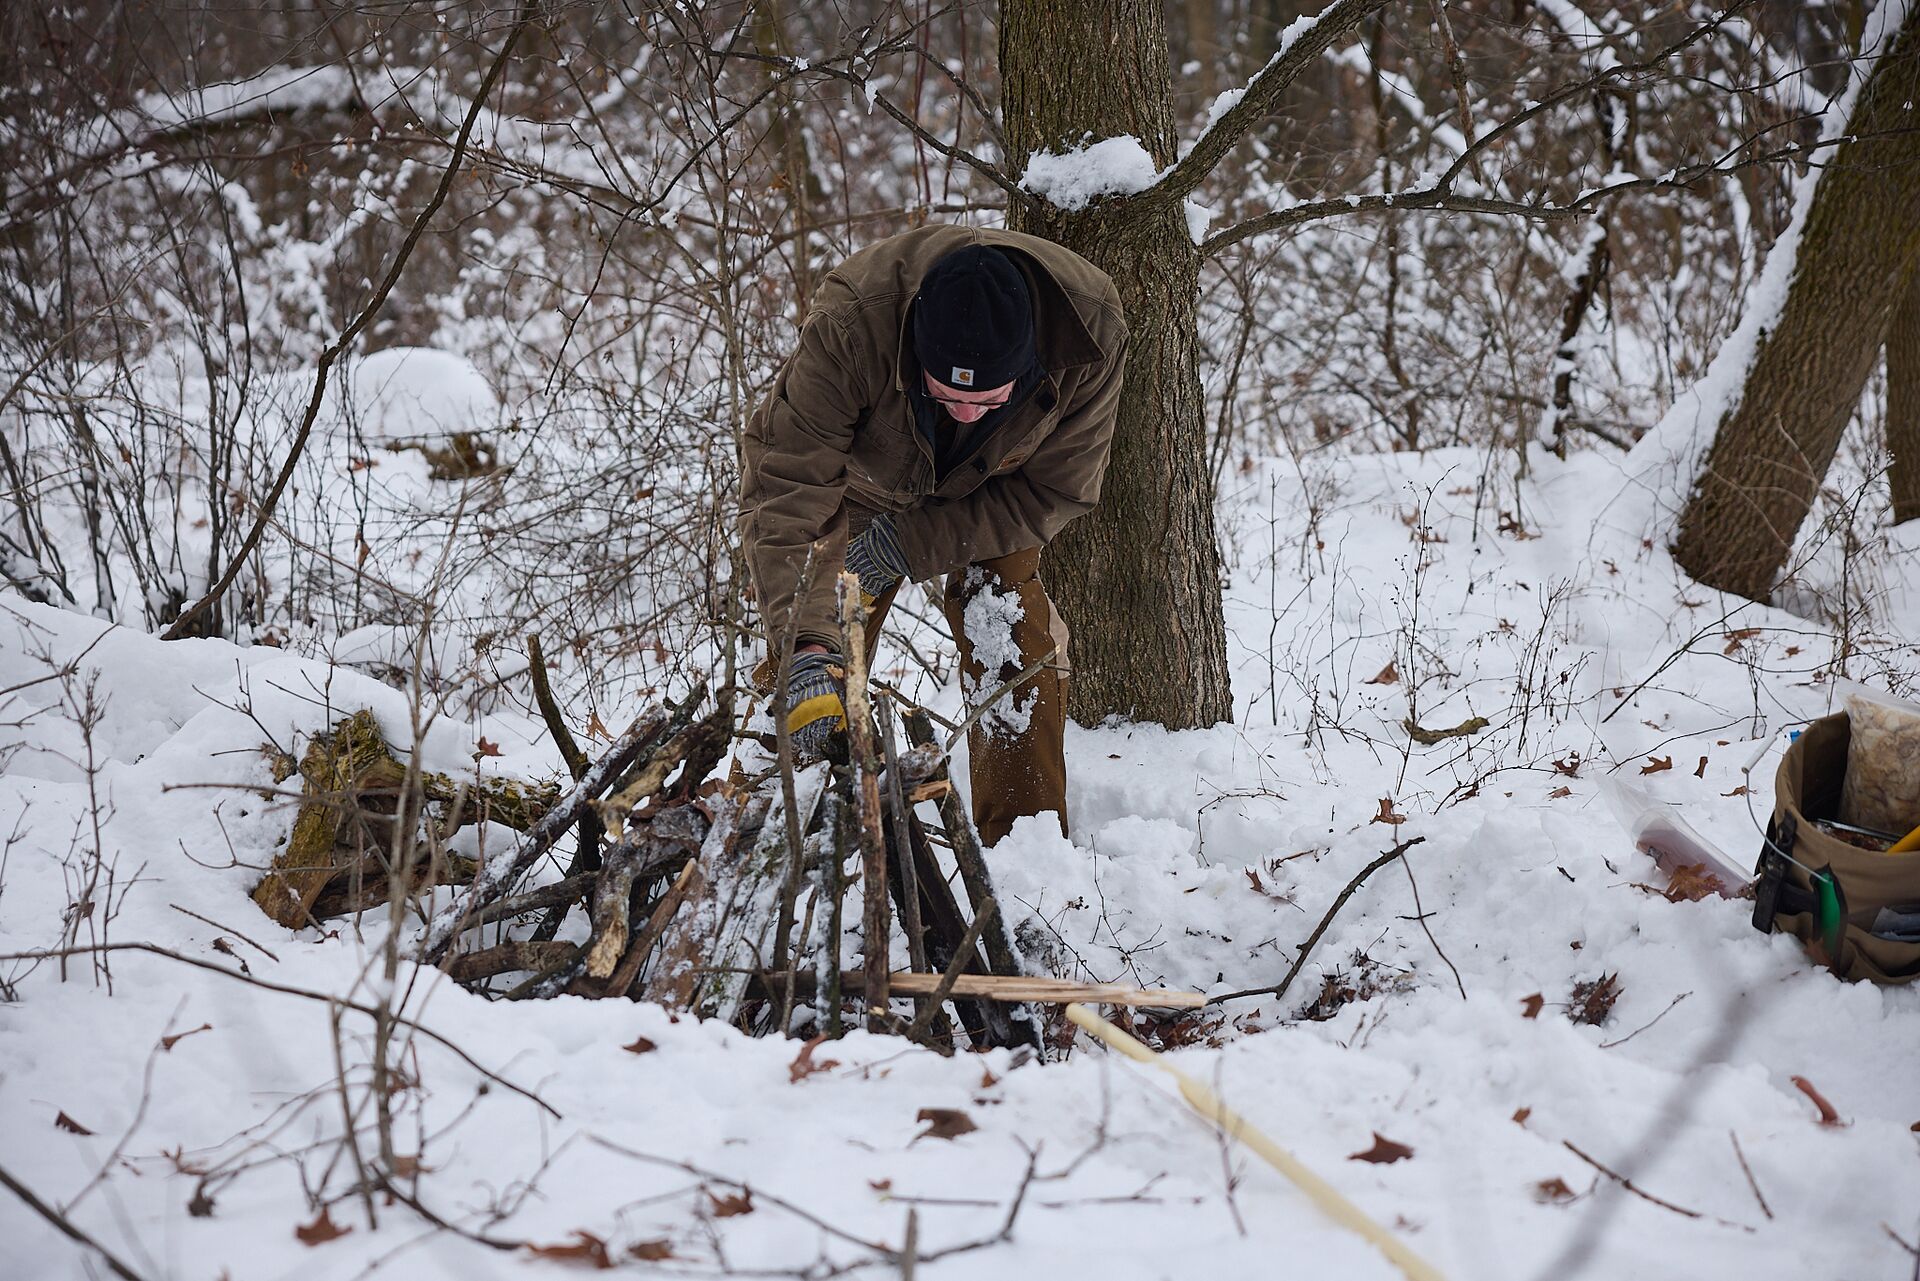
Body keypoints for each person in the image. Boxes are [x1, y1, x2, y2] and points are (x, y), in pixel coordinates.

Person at [740, 224, 1127, 845]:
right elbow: (790, 490)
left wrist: (909, 544)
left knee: (1007, 624)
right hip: (868, 483)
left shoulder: (1091, 330)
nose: (965, 411)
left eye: (986, 398)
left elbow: (1056, 491)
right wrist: (805, 646)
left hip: (1002, 493)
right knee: (811, 655)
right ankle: (770, 834)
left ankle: (1026, 850)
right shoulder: (852, 327)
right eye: (945, 393)